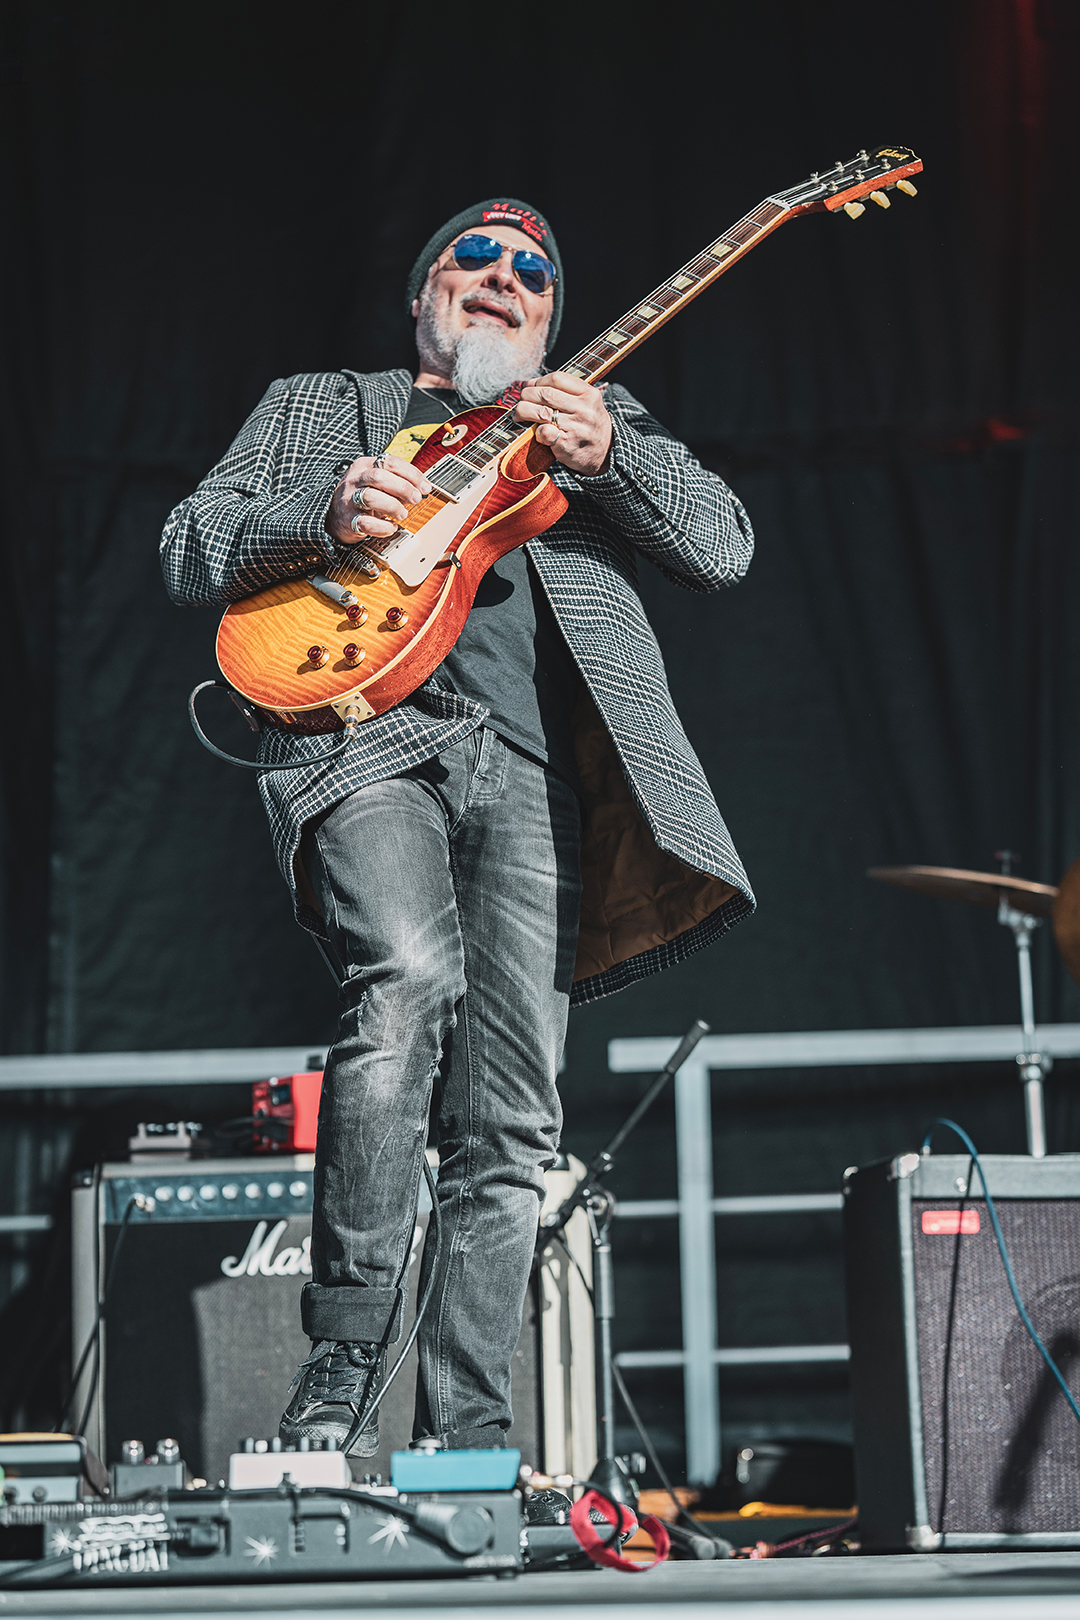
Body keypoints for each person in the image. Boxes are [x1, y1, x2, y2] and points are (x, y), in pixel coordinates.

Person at [161, 197, 756, 1456]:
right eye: (472, 258)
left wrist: (615, 458)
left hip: (534, 779)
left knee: (512, 1122)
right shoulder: (320, 402)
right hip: (366, 732)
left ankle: (470, 1443)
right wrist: (321, 514)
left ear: (550, 317)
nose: (503, 277)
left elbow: (723, 548)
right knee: (407, 979)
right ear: (424, 293)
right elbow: (189, 542)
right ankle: (339, 1364)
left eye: (532, 271)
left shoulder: (583, 421)